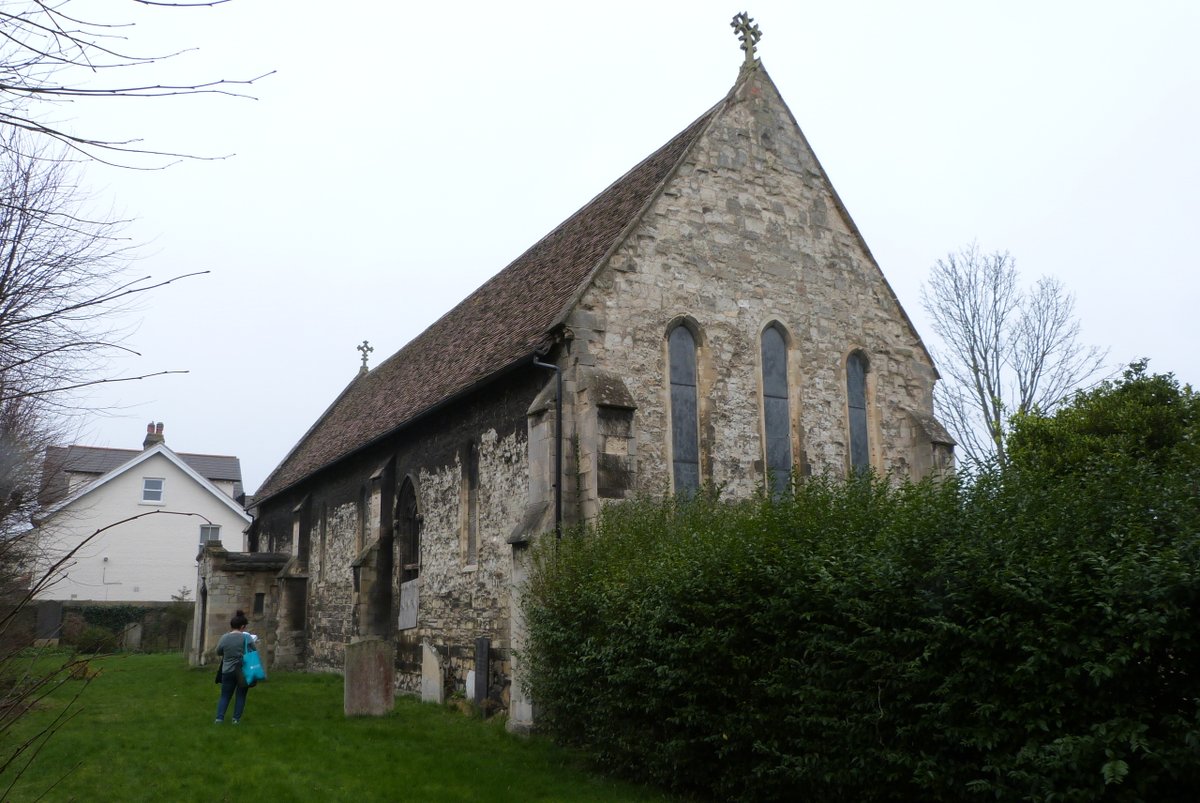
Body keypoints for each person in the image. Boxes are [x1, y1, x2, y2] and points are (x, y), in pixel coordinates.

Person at [214, 610, 256, 724]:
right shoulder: (247, 638)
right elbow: (254, 651)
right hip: (243, 670)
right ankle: (236, 719)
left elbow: (218, 651)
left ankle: (219, 718)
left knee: (225, 695)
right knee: (241, 695)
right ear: (242, 626)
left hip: (227, 670)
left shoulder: (224, 637)